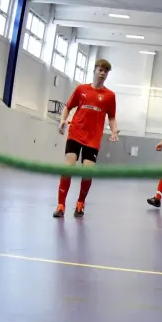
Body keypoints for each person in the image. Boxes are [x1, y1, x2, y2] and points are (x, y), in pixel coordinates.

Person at [56, 59, 119, 218]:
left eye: (106, 71)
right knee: (68, 168)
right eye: (100, 69)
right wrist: (63, 120)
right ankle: (61, 205)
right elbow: (68, 107)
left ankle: (80, 203)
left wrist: (114, 131)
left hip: (93, 139)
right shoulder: (81, 89)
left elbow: (111, 117)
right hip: (75, 133)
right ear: (95, 70)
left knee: (87, 172)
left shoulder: (110, 96)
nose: (103, 73)